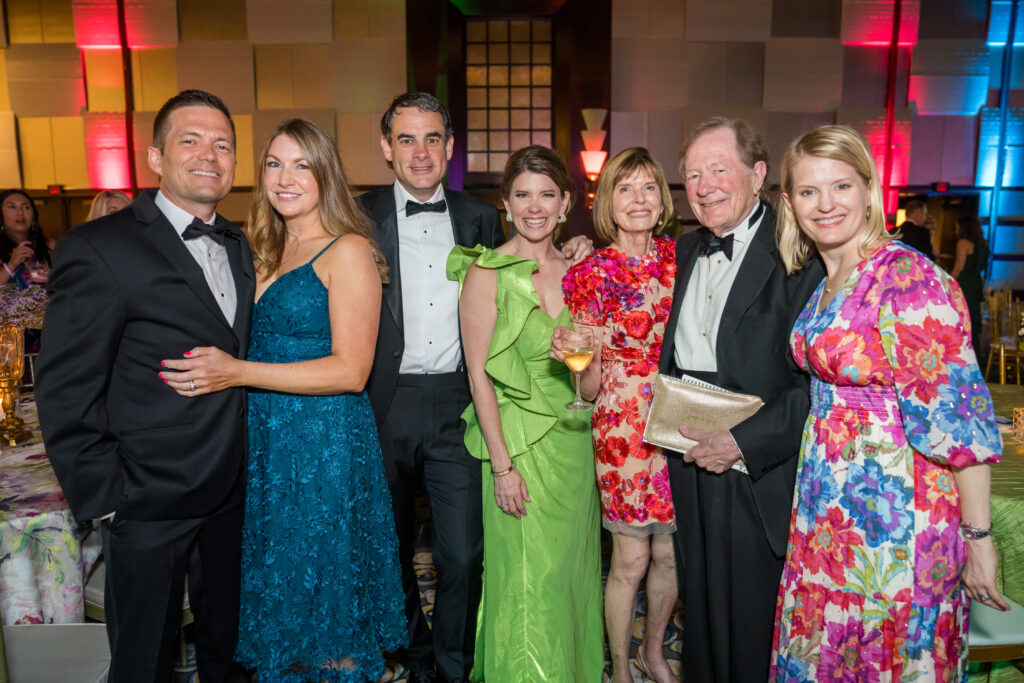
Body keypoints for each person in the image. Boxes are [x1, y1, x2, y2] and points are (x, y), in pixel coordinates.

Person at [158, 118, 407, 681]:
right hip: (268, 445)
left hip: (323, 446)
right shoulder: (259, 247)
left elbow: (351, 370)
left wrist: (235, 372)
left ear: (326, 177)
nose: (285, 177)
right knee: (283, 593)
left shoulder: (348, 250)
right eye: (274, 163)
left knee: (327, 600)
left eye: (302, 165)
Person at [357, 91, 591, 682]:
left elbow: (533, 272)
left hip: (464, 401)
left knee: (463, 553)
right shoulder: (357, 218)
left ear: (449, 147)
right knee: (388, 545)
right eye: (406, 138)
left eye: (432, 138)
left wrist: (579, 247)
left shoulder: (479, 217)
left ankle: (454, 664)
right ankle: (412, 652)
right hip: (383, 401)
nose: (420, 152)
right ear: (386, 147)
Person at [771, 124, 1006, 680]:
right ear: (790, 202)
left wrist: (977, 539)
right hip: (827, 513)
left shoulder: (907, 278)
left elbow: (961, 421)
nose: (826, 204)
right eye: (809, 191)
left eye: (841, 187)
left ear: (869, 189)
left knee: (886, 660)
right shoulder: (825, 279)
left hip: (898, 521)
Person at [36, 89, 252, 683]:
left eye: (223, 144)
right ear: (155, 158)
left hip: (230, 491)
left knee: (229, 651)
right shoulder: (100, 247)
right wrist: (106, 495)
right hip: (145, 498)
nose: (210, 154)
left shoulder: (240, 245)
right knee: (144, 662)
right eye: (191, 140)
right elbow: (64, 387)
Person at [658, 117, 823, 682]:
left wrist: (741, 442)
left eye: (718, 169)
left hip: (759, 474)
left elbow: (815, 388)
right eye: (693, 175)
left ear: (757, 175)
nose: (703, 186)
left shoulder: (801, 254)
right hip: (690, 465)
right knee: (700, 616)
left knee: (754, 626)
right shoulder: (683, 251)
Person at [447, 144, 604, 681]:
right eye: (522, 195)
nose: (534, 207)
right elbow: (478, 377)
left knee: (570, 576)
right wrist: (502, 466)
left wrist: (582, 365)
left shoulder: (585, 272)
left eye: (546, 195)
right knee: (525, 582)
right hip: (518, 446)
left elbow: (593, 382)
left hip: (575, 444)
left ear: (565, 204)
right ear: (506, 205)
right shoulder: (485, 274)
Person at [557, 147, 679, 683]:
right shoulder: (592, 269)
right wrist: (575, 364)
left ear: (662, 198)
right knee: (630, 558)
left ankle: (655, 653)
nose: (638, 199)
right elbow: (588, 377)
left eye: (648, 187)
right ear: (608, 199)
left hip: (682, 417)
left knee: (673, 555)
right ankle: (622, 667)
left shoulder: (686, 258)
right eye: (625, 188)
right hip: (624, 423)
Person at [951, 214, 989, 354]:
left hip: (964, 286)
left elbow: (959, 267)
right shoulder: (983, 244)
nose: (955, 231)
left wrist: (947, 282)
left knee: (962, 322)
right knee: (972, 321)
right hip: (976, 285)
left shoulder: (963, 243)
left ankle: (963, 357)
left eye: (956, 227)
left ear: (963, 227)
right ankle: (977, 358)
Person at [0, 188, 51, 288]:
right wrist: (11, 265)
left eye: (26, 207)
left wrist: (55, 278)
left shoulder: (50, 246)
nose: (20, 213)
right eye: (12, 207)